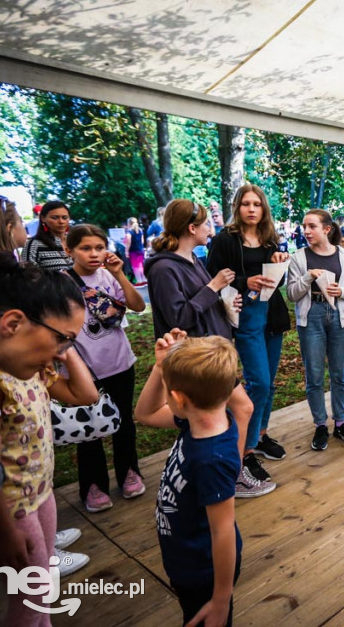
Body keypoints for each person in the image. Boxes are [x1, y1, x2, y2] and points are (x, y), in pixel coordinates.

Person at [0, 254, 98, 624]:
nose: (62, 352)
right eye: (61, 339)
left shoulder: (25, 368)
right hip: (11, 507)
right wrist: (2, 528)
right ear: (13, 322)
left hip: (36, 493)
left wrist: (64, 345)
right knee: (31, 599)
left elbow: (86, 395)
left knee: (40, 592)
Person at [144, 200, 270, 498]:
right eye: (206, 223)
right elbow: (179, 318)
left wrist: (226, 302)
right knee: (237, 409)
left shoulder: (193, 260)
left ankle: (228, 471)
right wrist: (213, 288)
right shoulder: (163, 269)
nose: (211, 227)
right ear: (191, 228)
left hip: (213, 355)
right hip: (194, 359)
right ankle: (230, 475)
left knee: (234, 411)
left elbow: (204, 302)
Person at [135, 333, 243, 627]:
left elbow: (224, 533)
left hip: (203, 573)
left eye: (167, 391)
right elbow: (144, 413)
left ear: (180, 399)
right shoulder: (197, 420)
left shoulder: (212, 459)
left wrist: (221, 600)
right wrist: (161, 369)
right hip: (185, 559)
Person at [206, 185, 291, 488]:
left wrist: (281, 259)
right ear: (237, 207)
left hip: (273, 313)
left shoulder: (270, 239)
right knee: (259, 382)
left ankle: (260, 434)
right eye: (246, 204)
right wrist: (245, 281)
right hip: (246, 315)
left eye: (257, 204)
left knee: (269, 383)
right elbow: (213, 277)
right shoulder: (225, 240)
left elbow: (279, 276)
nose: (252, 209)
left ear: (264, 209)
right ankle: (243, 448)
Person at [64, 225, 147, 513]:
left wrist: (119, 274)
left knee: (123, 423)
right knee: (89, 428)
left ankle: (129, 472)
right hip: (84, 369)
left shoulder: (108, 277)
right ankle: (93, 485)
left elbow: (137, 306)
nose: (94, 254)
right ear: (69, 250)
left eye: (99, 247)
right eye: (85, 248)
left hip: (120, 363)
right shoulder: (61, 284)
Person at [287, 209, 344, 451]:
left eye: (312, 226)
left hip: (339, 317)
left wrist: (342, 292)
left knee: (339, 374)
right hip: (312, 318)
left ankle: (341, 422)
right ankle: (320, 424)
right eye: (304, 226)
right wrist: (308, 277)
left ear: (327, 229)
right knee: (315, 375)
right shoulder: (299, 258)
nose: (306, 231)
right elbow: (291, 294)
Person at [22, 200, 73, 271]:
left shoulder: (75, 242)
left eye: (64, 217)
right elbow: (27, 275)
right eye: (55, 218)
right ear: (43, 218)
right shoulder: (33, 244)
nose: (61, 221)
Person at [123, 216, 147, 284]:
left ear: (129, 223)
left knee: (135, 267)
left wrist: (126, 251)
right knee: (141, 265)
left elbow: (128, 242)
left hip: (133, 251)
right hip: (140, 250)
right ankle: (144, 279)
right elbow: (142, 241)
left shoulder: (129, 232)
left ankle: (139, 281)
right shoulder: (140, 230)